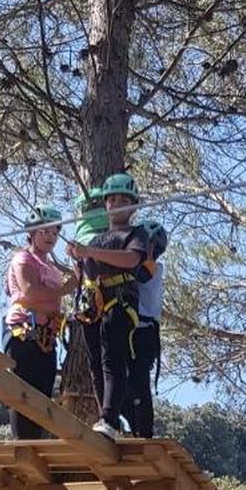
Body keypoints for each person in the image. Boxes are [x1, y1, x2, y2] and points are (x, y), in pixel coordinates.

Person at [70, 173, 151, 436]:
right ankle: (108, 419)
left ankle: (109, 418)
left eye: (123, 200)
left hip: (120, 300)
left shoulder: (136, 233)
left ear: (133, 206)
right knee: (96, 365)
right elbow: (86, 272)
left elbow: (131, 260)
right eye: (111, 199)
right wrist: (78, 258)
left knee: (112, 360)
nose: (116, 205)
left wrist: (89, 252)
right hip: (94, 304)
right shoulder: (96, 239)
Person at [2, 207, 73, 438]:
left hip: (46, 337)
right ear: (32, 233)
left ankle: (33, 442)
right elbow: (30, 292)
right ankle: (22, 444)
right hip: (24, 331)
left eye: (54, 232)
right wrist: (65, 289)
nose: (50, 236)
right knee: (22, 391)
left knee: (42, 395)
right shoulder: (23, 258)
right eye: (44, 231)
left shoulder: (52, 269)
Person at [126, 212, 170, 438]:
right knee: (124, 383)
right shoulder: (145, 266)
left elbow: (130, 275)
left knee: (139, 381)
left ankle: (144, 431)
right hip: (134, 330)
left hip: (143, 333)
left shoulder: (152, 268)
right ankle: (133, 426)